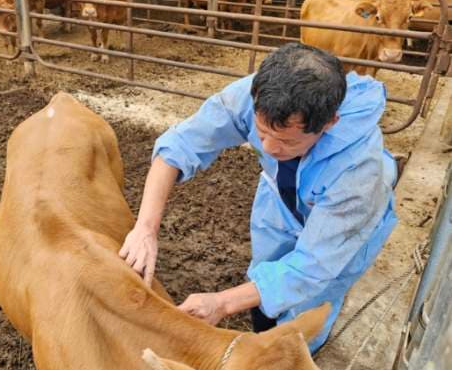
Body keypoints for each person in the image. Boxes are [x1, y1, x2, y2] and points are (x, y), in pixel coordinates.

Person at [119, 43, 397, 352]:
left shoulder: (360, 173)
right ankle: (263, 329)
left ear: (329, 123)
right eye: (261, 133)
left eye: (286, 141)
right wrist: (146, 228)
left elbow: (313, 266)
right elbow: (181, 144)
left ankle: (301, 353)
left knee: (307, 309)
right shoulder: (258, 96)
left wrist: (222, 304)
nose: (267, 148)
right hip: (280, 201)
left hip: (342, 226)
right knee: (266, 274)